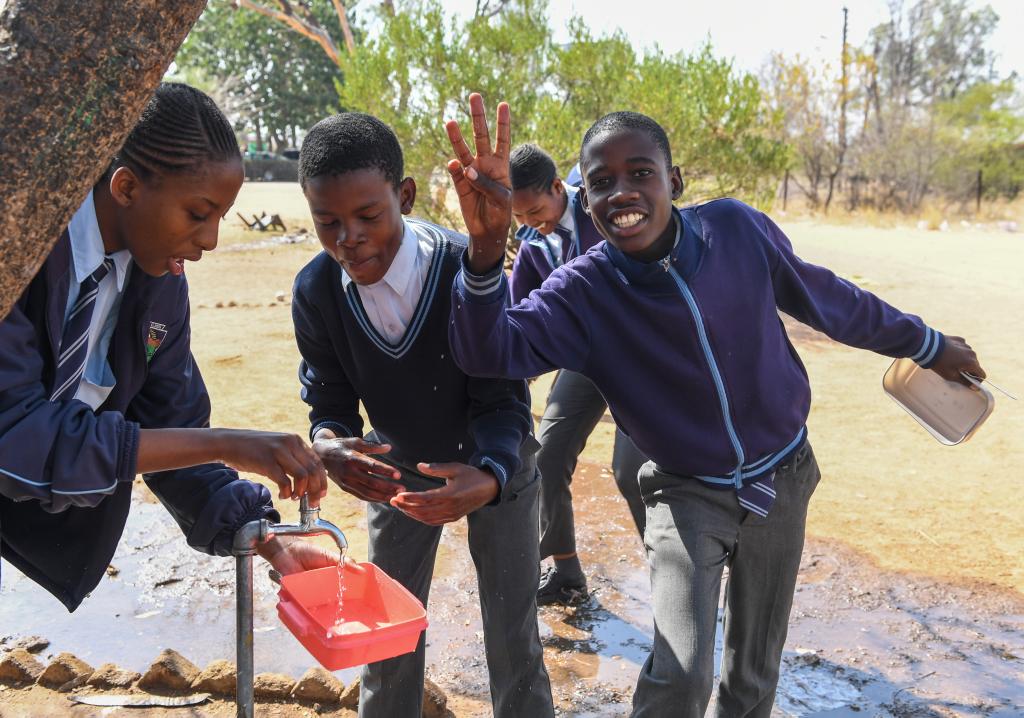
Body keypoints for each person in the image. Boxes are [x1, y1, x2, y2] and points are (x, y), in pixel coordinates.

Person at [442, 96, 985, 717]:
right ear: (584, 199)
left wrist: (926, 341)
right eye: (601, 182)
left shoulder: (734, 229)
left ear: (673, 181)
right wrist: (484, 252)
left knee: (752, 680)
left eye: (640, 173)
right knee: (679, 674)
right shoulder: (582, 291)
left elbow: (826, 297)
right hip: (683, 492)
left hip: (782, 476)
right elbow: (491, 351)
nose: (622, 191)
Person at [0, 83, 333, 612]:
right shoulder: (22, 250)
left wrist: (269, 538)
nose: (212, 240)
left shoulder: (159, 284)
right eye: (198, 213)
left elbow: (171, 425)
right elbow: (15, 436)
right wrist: (225, 442)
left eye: (220, 216)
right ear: (127, 187)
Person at [290, 112, 553, 718]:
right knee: (387, 636)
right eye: (327, 222)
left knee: (513, 633)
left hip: (500, 466)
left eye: (367, 216)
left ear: (403, 196)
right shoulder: (317, 292)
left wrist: (489, 475)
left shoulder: (470, 266)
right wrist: (332, 445)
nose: (347, 238)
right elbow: (328, 398)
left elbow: (502, 397)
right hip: (398, 471)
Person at [509, 143, 647, 606]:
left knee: (632, 472)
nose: (531, 223)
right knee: (547, 456)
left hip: (640, 357)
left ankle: (677, 574)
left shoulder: (603, 212)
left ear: (557, 188)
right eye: (520, 217)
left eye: (535, 210)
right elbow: (518, 317)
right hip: (587, 362)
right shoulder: (533, 243)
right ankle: (567, 571)